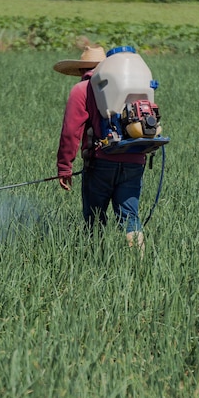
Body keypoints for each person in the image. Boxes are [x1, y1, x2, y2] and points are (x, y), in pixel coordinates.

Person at [54, 45, 146, 252]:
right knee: (130, 217)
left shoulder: (82, 89)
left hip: (101, 162)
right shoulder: (130, 81)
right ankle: (142, 265)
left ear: (81, 70)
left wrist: (64, 167)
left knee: (94, 219)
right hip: (135, 159)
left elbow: (70, 131)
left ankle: (95, 262)